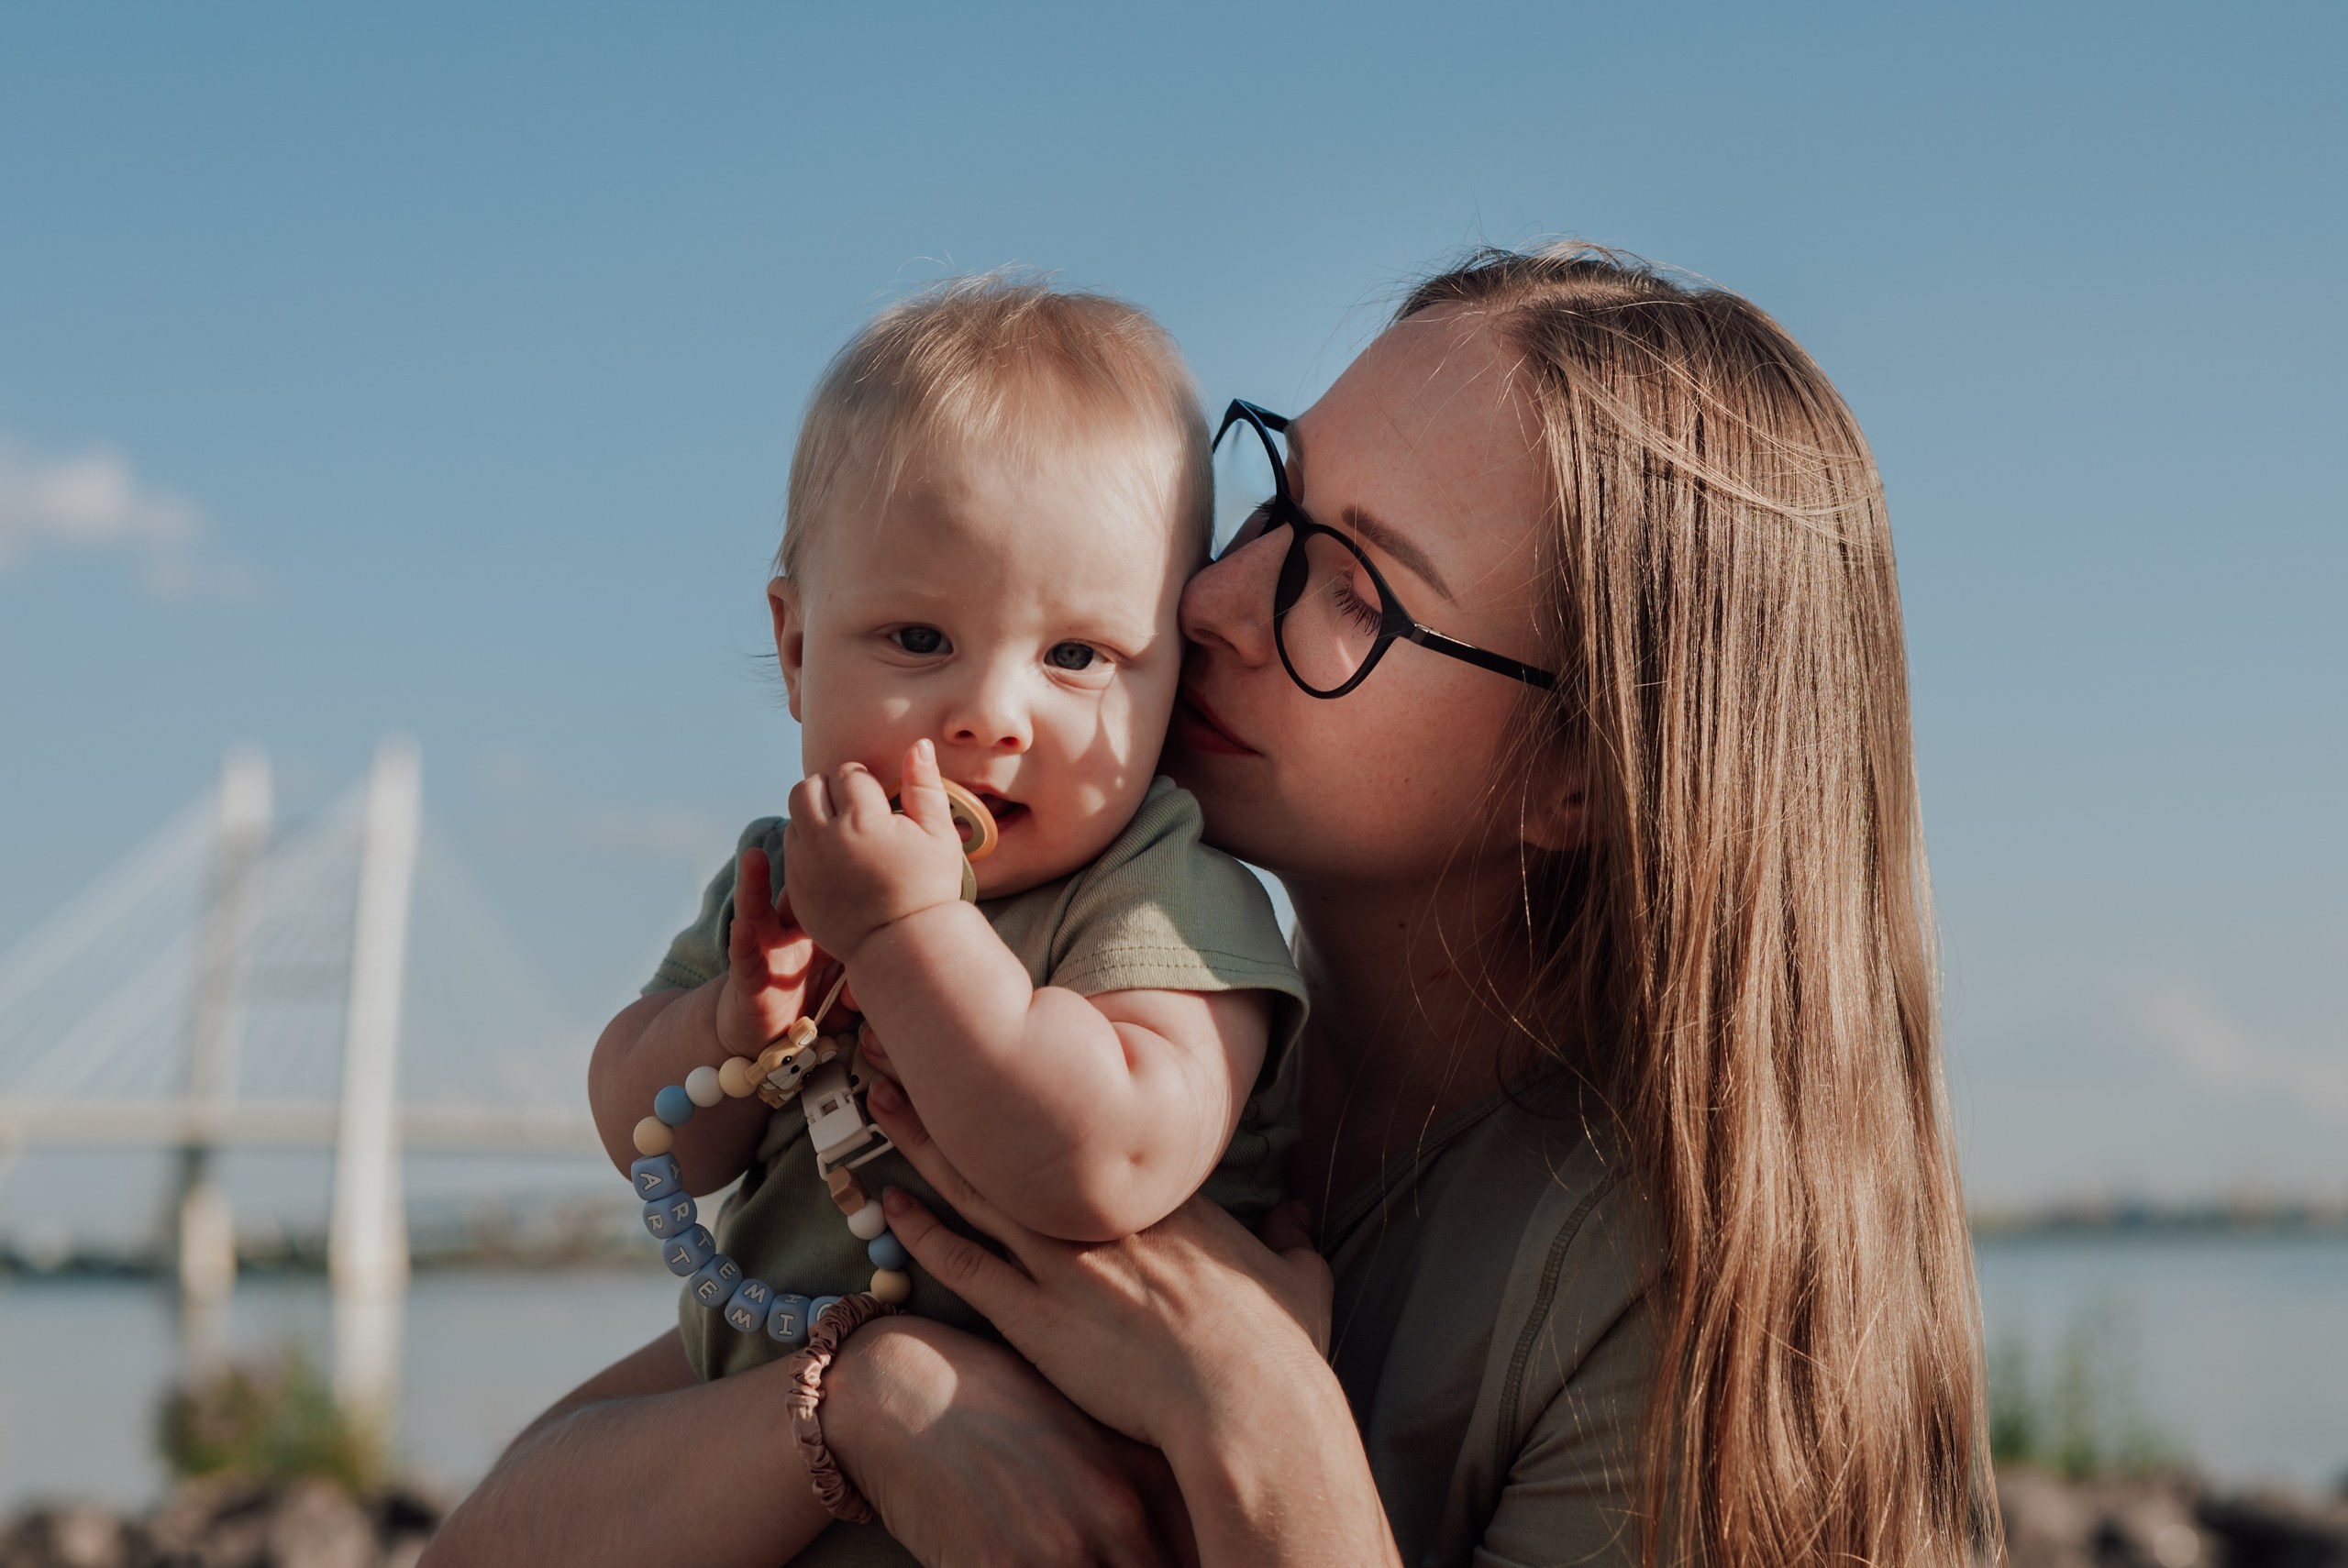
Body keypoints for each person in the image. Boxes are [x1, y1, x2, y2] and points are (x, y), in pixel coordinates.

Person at [426, 245, 1996, 1568]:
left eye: (1355, 591)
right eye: (1270, 505)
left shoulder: (1659, 1303)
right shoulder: (1055, 980)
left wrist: (1261, 1421)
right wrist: (860, 1411)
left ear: (1579, 774)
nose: (1211, 601)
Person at [577, 275, 1309, 1562]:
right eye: (919, 638)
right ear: (796, 648)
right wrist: (724, 1025)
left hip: (1055, 1513)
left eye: (1078, 656)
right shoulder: (791, 874)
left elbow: (1105, 1162)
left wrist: (909, 935)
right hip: (780, 1481)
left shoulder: (1162, 889)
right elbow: (652, 1141)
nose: (992, 716)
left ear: (1172, 674)